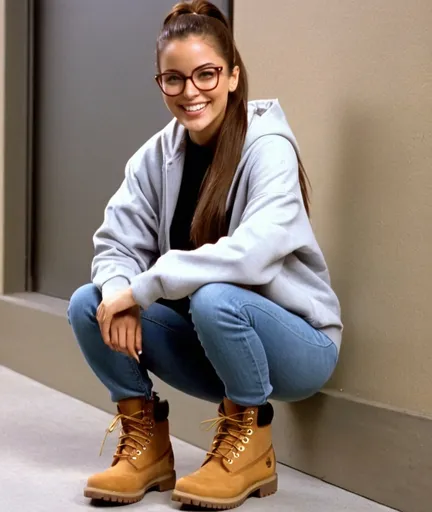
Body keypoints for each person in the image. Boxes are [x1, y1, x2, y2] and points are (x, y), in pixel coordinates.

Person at [68, 0, 342, 509]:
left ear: (234, 76)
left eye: (207, 74)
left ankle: (251, 444)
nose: (190, 92)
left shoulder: (268, 146)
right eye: (174, 79)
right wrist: (118, 293)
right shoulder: (154, 156)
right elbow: (115, 244)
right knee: (90, 303)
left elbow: (252, 254)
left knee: (217, 297)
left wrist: (145, 286)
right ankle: (146, 445)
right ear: (160, 84)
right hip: (211, 344)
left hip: (298, 347)